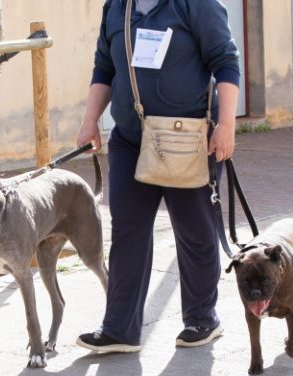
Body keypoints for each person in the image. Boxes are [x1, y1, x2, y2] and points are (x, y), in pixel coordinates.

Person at [75, 0, 241, 353]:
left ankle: (202, 318)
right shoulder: (117, 7)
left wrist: (226, 125)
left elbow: (226, 61)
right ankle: (119, 329)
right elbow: (104, 67)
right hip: (130, 139)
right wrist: (90, 120)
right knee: (127, 231)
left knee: (194, 229)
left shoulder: (196, 5)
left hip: (187, 137)